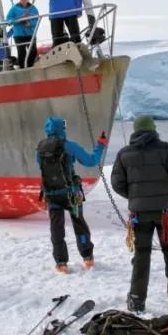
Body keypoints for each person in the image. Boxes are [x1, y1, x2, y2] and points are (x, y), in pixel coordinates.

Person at [110, 115, 168, 313]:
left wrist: (136, 196)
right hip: (166, 214)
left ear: (135, 131)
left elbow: (116, 183)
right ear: (153, 129)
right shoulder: (166, 150)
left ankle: (137, 300)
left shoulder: (124, 154)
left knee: (141, 256)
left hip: (140, 214)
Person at [37, 116, 107, 273]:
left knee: (56, 228)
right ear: (62, 129)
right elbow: (91, 161)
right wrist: (100, 146)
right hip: (72, 195)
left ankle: (61, 263)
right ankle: (87, 258)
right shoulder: (69, 146)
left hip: (52, 194)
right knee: (79, 224)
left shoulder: (40, 148)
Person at [5, 0, 40, 68]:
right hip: (18, 34)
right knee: (21, 53)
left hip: (30, 34)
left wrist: (29, 23)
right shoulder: (14, 8)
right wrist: (18, 20)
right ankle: (22, 68)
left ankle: (30, 66)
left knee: (33, 51)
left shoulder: (33, 8)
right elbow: (8, 20)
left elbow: (36, 20)